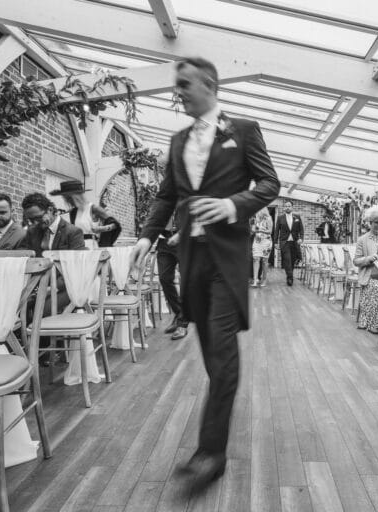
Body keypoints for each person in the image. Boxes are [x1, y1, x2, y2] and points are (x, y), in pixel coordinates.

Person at [131, 56, 279, 490]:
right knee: (214, 355)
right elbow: (166, 196)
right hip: (191, 261)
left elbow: (269, 184)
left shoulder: (243, 130)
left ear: (209, 86)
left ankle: (211, 453)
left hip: (227, 262)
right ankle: (213, 438)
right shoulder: (177, 140)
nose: (177, 92)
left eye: (184, 84)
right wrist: (146, 237)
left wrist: (233, 205)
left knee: (223, 354)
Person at [353, 205, 378, 334]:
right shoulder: (362, 240)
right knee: (377, 287)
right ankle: (373, 323)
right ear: (369, 223)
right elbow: (356, 261)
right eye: (376, 223)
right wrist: (368, 259)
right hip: (370, 275)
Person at [50, 180, 120, 249]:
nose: (68, 201)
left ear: (76, 196)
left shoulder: (93, 208)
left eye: (69, 198)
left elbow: (115, 224)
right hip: (76, 246)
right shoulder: (73, 212)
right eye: (66, 198)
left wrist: (103, 228)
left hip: (90, 246)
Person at [157, 215, 188, 341]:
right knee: (164, 278)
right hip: (164, 240)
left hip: (184, 240)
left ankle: (182, 324)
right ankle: (179, 313)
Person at [274, 200, 303, 286]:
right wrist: (275, 242)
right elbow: (276, 231)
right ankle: (290, 278)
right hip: (284, 242)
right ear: (284, 208)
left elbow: (301, 229)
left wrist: (301, 238)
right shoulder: (280, 218)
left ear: (292, 207)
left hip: (294, 242)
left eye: (289, 206)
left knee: (292, 260)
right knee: (287, 260)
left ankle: (289, 275)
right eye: (286, 206)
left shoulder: (297, 217)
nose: (287, 207)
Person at [251, 207, 273, 287]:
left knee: (264, 261)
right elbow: (253, 230)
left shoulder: (269, 218)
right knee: (255, 259)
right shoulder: (255, 219)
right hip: (257, 241)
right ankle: (255, 280)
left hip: (266, 242)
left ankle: (264, 280)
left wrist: (260, 230)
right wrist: (253, 228)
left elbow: (270, 231)